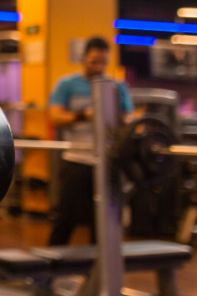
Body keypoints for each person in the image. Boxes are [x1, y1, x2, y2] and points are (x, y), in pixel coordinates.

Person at [46, 36, 133, 246]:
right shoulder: (67, 84)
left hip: (106, 161)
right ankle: (46, 276)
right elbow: (54, 117)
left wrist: (115, 117)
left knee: (102, 221)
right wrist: (84, 115)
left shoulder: (116, 86)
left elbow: (130, 118)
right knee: (66, 218)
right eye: (94, 61)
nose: (99, 66)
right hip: (76, 159)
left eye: (103, 62)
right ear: (83, 58)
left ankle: (97, 274)